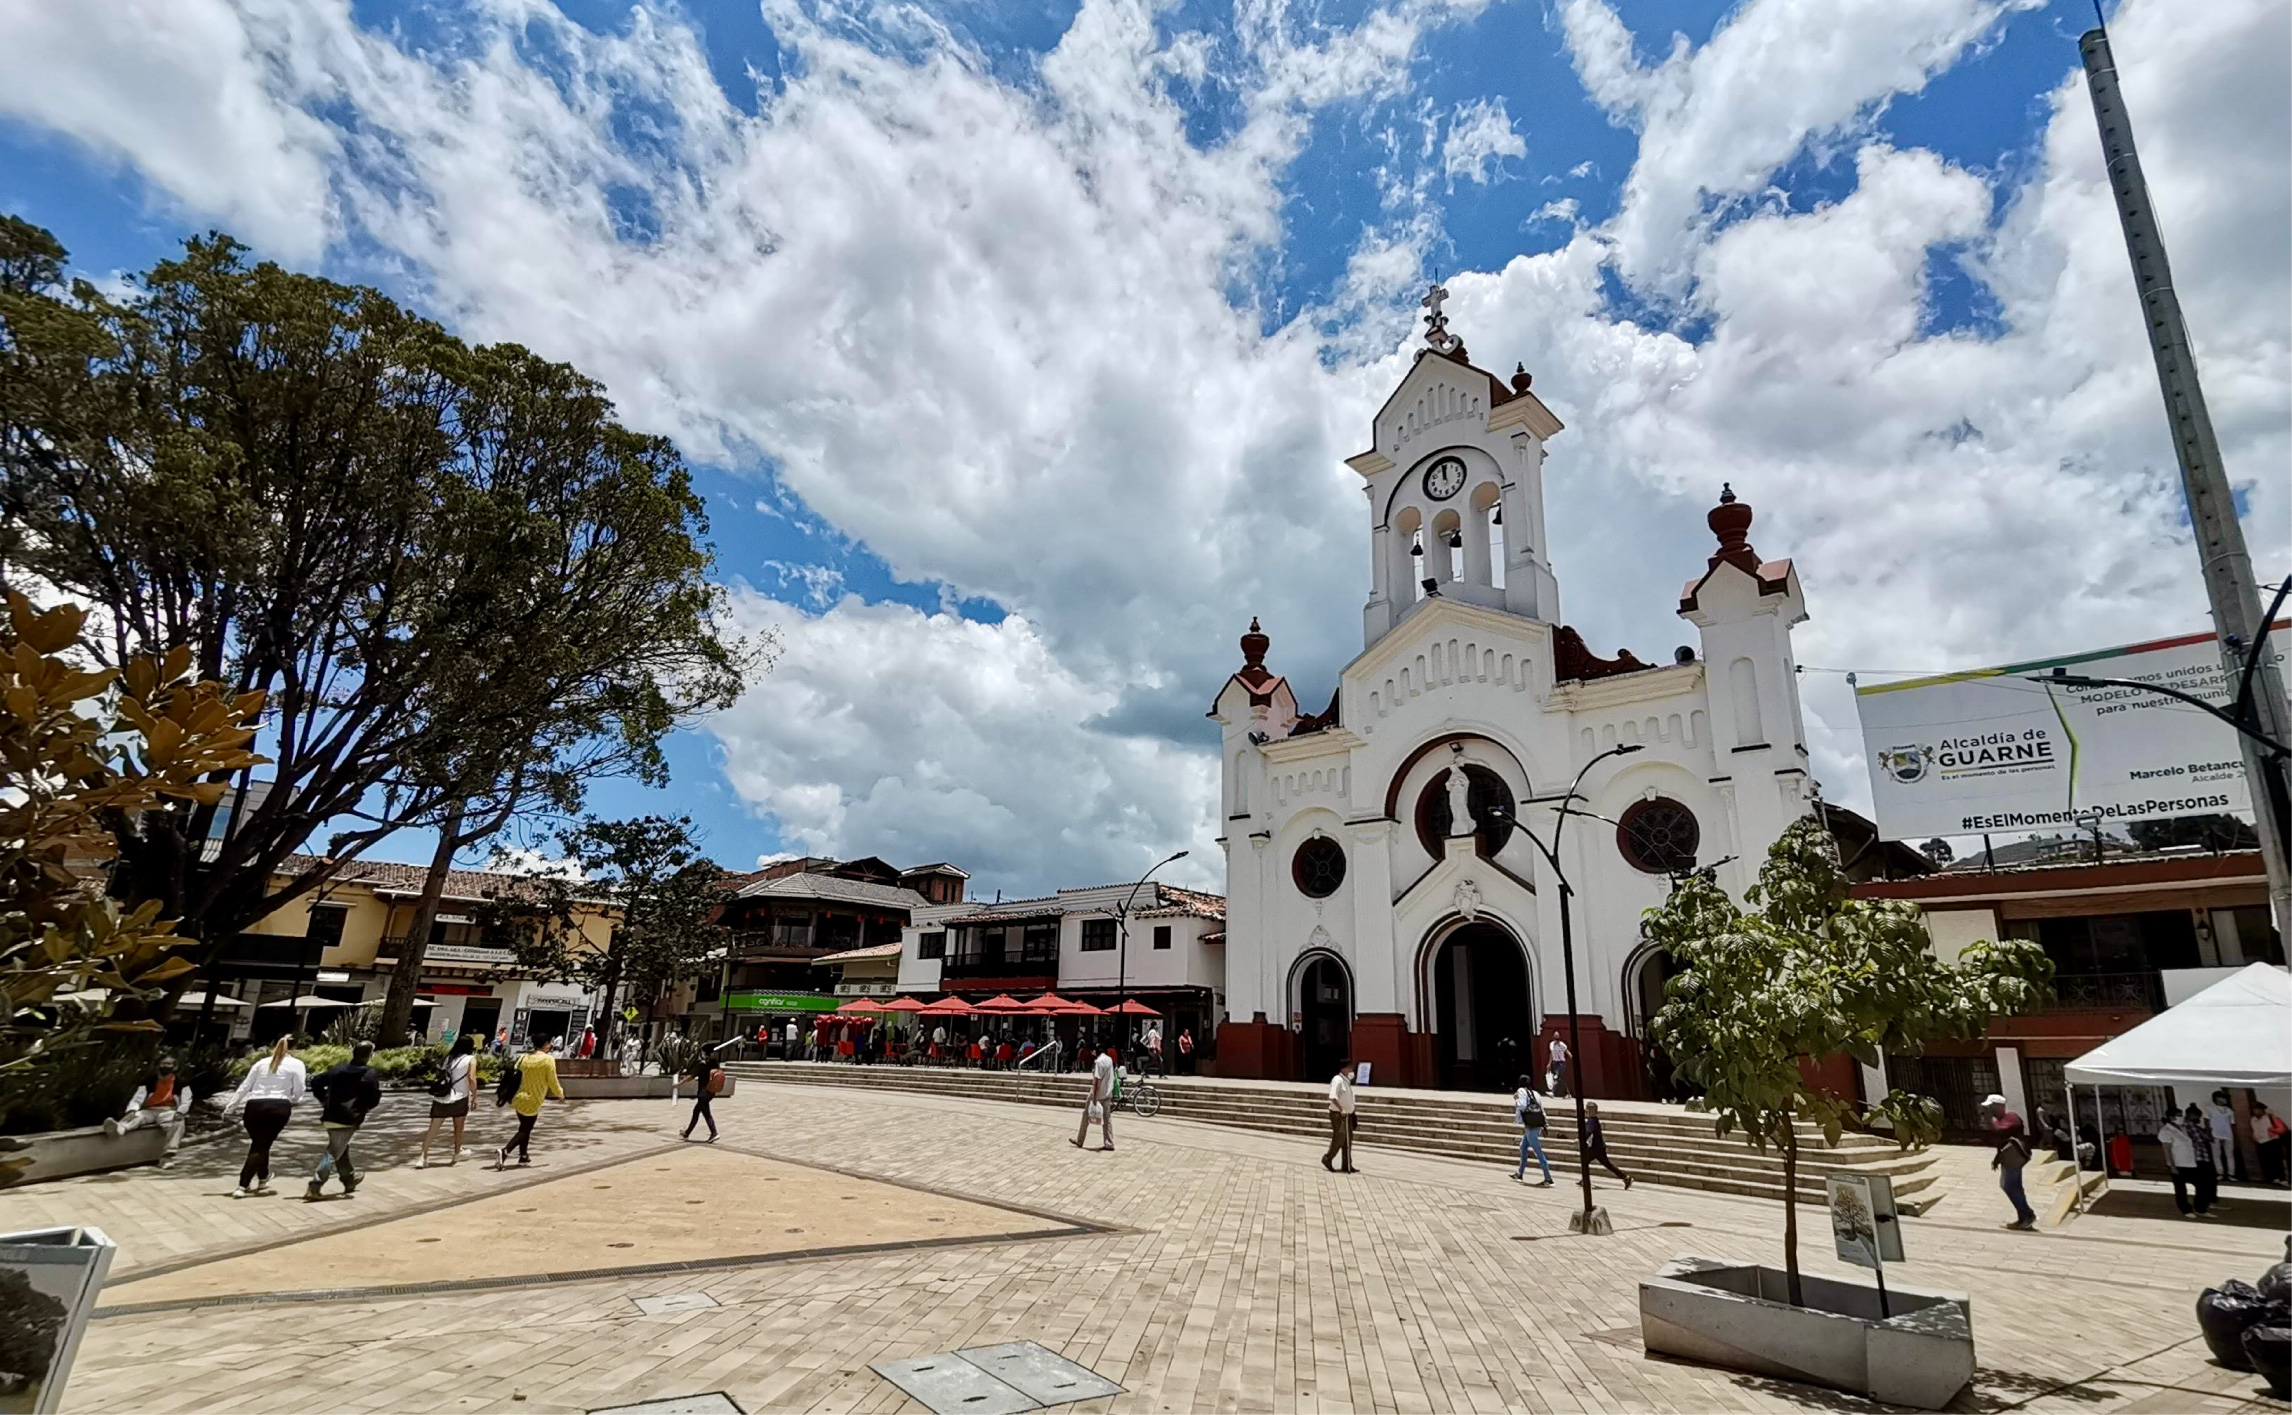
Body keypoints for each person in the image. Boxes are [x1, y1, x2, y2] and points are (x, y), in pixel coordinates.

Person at [223, 1037, 306, 1196]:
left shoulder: (261, 1063)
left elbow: (246, 1085)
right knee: (261, 1146)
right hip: (279, 1106)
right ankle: (243, 1184)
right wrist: (294, 1100)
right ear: (295, 1049)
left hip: (254, 1106)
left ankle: (263, 1177)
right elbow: (300, 1089)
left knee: (261, 1143)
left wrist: (231, 1106)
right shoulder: (297, 1064)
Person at [306, 1041, 384, 1200]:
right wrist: (367, 1108)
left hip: (330, 1115)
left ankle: (349, 1179)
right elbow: (374, 1097)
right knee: (334, 1151)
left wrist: (322, 1099)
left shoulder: (338, 1069)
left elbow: (315, 1081)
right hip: (349, 1118)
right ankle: (315, 1185)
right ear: (368, 1055)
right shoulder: (369, 1074)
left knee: (340, 1147)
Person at [106, 1058, 192, 1168]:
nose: (166, 1066)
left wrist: (180, 1112)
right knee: (136, 1116)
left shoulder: (181, 1083)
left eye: (169, 1064)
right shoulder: (149, 1081)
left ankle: (167, 1157)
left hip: (168, 1111)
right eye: (163, 1063)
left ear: (174, 1067)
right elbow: (138, 1098)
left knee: (178, 1123)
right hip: (149, 1110)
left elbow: (186, 1100)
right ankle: (119, 1129)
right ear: (159, 1065)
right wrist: (132, 1109)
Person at [497, 1036, 565, 1168]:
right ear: (545, 1044)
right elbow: (552, 1080)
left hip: (518, 1097)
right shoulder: (548, 1059)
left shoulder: (524, 1057)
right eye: (549, 1042)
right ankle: (505, 1151)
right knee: (525, 1129)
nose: (550, 1045)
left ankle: (523, 1156)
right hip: (533, 1099)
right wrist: (560, 1093)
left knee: (524, 1128)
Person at [417, 1034, 479, 1168]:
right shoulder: (470, 1059)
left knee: (433, 1128)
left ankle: (423, 1156)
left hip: (442, 1096)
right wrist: (474, 1095)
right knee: (458, 1128)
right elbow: (471, 1078)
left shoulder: (448, 1059)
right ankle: (457, 1153)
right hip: (460, 1096)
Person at [2157, 1108, 2209, 1217]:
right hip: (2178, 1163)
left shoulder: (2183, 1128)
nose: (2181, 1117)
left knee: (2202, 1185)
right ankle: (2186, 1210)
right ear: (2171, 1117)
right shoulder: (2166, 1131)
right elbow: (2167, 1150)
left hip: (2191, 1162)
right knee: (2181, 1189)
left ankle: (2200, 1208)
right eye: (2179, 1115)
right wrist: (2172, 1165)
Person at [1991, 1115, 2035, 1230]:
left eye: (1991, 1106)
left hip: (2013, 1156)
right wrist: (1997, 1159)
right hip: (2007, 1157)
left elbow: (2004, 1131)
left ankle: (2026, 1215)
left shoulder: (2010, 1120)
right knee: (2012, 1187)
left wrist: (1996, 1123)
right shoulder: (1999, 1121)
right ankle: (2024, 1216)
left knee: (2009, 1186)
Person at [1072, 1046, 1118, 1151]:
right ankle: (1109, 1142)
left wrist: (1095, 1098)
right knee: (1107, 1119)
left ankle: (1080, 1140)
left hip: (1098, 1094)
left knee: (1085, 1115)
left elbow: (1097, 1081)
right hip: (1107, 1093)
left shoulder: (1098, 1062)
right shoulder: (1109, 1059)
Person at [1581, 1102, 1635, 1190]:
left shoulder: (1592, 1121)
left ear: (1590, 1111)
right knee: (1604, 1164)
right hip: (1597, 1148)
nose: (1586, 1112)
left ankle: (1626, 1178)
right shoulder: (1593, 1120)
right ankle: (1626, 1178)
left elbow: (1588, 1132)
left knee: (1587, 1162)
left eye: (1587, 1110)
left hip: (1596, 1149)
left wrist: (1580, 1139)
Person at [1511, 1075, 1552, 1186]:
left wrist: (1516, 1099)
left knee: (1538, 1151)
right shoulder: (1535, 1093)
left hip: (1530, 1125)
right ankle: (1519, 1173)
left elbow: (1522, 1106)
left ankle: (1548, 1178)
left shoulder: (1521, 1091)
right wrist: (1544, 1124)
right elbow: (1541, 1109)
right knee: (1523, 1147)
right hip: (1536, 1123)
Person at [1322, 1059, 1359, 1173]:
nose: (1352, 1070)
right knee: (1340, 1137)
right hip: (1338, 1114)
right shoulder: (1337, 1080)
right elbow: (1333, 1097)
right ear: (1344, 1068)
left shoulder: (1346, 1080)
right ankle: (1327, 1158)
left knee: (1348, 1140)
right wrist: (1341, 1109)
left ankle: (1347, 1164)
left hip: (1348, 1114)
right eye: (1350, 1067)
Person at [681, 1049, 723, 1142]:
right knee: (698, 1112)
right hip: (711, 1092)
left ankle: (714, 1133)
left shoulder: (702, 1065)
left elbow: (691, 1076)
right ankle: (687, 1133)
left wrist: (678, 1084)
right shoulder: (715, 1064)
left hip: (703, 1093)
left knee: (704, 1113)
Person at [2188, 1104, 2222, 1213]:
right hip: (2199, 1157)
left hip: (2204, 1156)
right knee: (2206, 1182)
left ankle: (2209, 1202)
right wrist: (2207, 1133)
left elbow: (2209, 1138)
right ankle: (2204, 1204)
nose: (2198, 1119)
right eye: (2197, 1116)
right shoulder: (2191, 1126)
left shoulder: (2196, 1127)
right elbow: (2202, 1139)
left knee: (2210, 1180)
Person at [2253, 1101, 2290, 1186]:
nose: (2256, 1111)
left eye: (2257, 1109)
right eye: (2254, 1110)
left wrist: (2271, 1130)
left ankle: (2282, 1178)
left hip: (2273, 1141)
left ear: (2262, 1110)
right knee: (2267, 1161)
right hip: (2261, 1142)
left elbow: (2282, 1129)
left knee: (2277, 1160)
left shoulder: (2270, 1118)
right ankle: (2274, 1178)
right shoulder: (2253, 1120)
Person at [2209, 1091, 2241, 1179]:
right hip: (2215, 1134)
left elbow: (2232, 1124)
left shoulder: (2229, 1110)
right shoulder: (2210, 1108)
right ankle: (2220, 1173)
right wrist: (2209, 1134)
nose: (2225, 1100)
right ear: (2217, 1099)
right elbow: (2206, 1121)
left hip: (2228, 1134)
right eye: (2222, 1098)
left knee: (2230, 1155)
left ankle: (2231, 1173)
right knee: (2216, 1155)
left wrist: (2235, 1136)